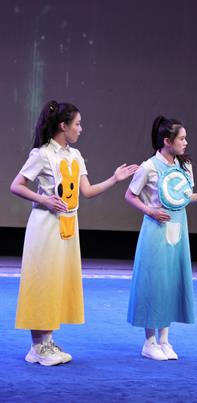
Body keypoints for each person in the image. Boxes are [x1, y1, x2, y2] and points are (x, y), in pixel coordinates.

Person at [10, 100, 138, 366]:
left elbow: (87, 192)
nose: (81, 129)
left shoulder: (75, 156)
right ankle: (37, 346)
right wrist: (43, 199)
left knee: (56, 281)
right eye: (77, 124)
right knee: (42, 280)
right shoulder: (42, 154)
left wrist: (115, 179)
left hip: (68, 226)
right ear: (63, 126)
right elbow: (16, 185)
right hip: (45, 226)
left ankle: (47, 341)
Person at [125, 115, 197, 361]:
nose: (186, 142)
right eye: (181, 138)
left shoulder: (185, 166)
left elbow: (183, 197)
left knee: (171, 281)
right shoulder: (149, 167)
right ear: (167, 141)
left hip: (178, 229)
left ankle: (164, 340)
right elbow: (130, 195)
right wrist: (150, 211)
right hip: (155, 230)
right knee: (154, 282)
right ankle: (149, 342)